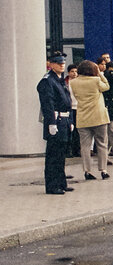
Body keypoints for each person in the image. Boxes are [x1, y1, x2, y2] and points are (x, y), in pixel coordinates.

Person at [37, 52, 74, 194]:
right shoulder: (47, 81)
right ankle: (52, 186)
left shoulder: (59, 80)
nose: (62, 65)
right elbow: (48, 104)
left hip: (64, 120)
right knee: (53, 156)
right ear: (51, 64)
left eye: (63, 63)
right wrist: (51, 123)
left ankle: (61, 182)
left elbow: (67, 101)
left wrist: (70, 120)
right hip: (56, 121)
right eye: (58, 63)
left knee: (61, 155)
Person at [69, 60, 111, 180]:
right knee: (102, 144)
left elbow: (74, 97)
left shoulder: (73, 82)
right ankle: (103, 170)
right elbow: (106, 87)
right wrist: (100, 74)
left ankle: (87, 171)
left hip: (82, 117)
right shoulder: (96, 80)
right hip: (99, 117)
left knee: (85, 146)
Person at [64, 63, 80, 157]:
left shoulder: (79, 82)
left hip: (78, 107)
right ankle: (68, 150)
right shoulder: (65, 82)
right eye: (72, 71)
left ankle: (76, 149)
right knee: (69, 130)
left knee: (77, 131)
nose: (74, 73)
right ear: (68, 72)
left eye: (76, 71)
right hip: (69, 108)